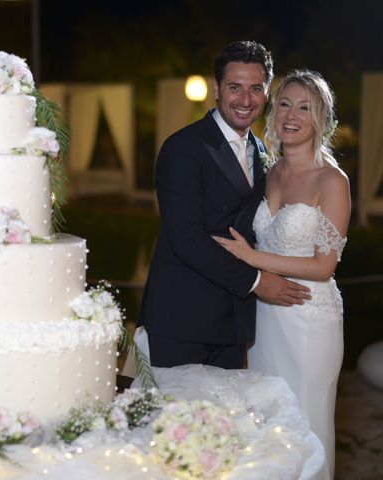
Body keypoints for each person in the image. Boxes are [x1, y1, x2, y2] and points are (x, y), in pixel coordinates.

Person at [136, 41, 311, 370]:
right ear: (216, 89)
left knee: (227, 422)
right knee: (179, 421)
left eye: (255, 88)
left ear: (266, 92)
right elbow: (187, 238)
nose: (245, 100)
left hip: (234, 323)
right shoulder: (183, 148)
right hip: (183, 319)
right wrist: (258, 282)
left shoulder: (263, 151)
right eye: (235, 87)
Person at [213, 69, 350, 478]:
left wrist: (252, 259)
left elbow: (324, 266)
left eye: (304, 107)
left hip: (309, 318)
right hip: (265, 316)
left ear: (320, 118)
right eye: (284, 104)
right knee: (267, 423)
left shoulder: (332, 180)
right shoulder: (267, 171)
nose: (291, 115)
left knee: (306, 423)